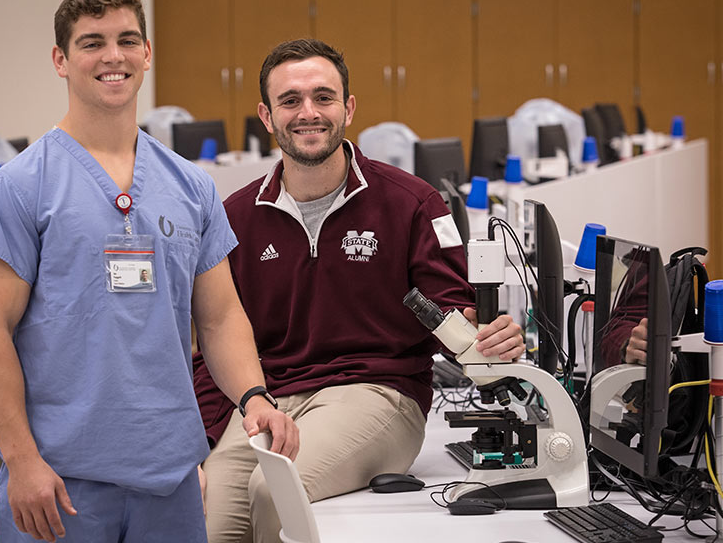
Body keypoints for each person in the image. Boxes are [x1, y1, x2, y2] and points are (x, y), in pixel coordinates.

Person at [0, 0, 297, 543]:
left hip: (169, 481)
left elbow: (218, 318)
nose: (112, 56)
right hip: (59, 484)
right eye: (92, 42)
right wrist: (22, 462)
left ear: (147, 54)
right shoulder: (21, 186)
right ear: (60, 60)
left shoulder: (190, 186)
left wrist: (254, 396)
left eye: (126, 40)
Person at [192, 38, 525, 543]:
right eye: (290, 101)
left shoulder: (414, 203)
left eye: (323, 97)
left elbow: (452, 313)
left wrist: (488, 339)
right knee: (206, 522)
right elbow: (213, 338)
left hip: (376, 393)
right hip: (269, 399)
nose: (309, 113)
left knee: (273, 491)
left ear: (348, 107)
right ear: (266, 115)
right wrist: (205, 440)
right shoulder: (235, 216)